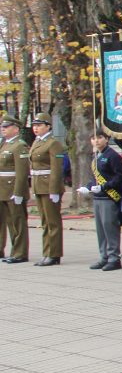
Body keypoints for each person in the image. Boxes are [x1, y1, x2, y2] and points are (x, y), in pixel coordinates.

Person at [77, 130, 122, 270]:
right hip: (98, 197)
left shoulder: (112, 155)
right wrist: (88, 187)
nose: (96, 141)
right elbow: (95, 178)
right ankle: (104, 256)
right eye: (93, 138)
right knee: (101, 230)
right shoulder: (96, 155)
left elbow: (119, 176)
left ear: (107, 139)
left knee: (110, 228)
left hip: (109, 197)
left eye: (99, 138)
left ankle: (114, 258)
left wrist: (104, 187)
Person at [29, 113, 65, 266]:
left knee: (53, 222)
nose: (35, 128)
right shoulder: (37, 141)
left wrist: (54, 190)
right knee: (45, 222)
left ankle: (54, 254)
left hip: (49, 186)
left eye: (39, 125)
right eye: (34, 125)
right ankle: (47, 252)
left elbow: (56, 169)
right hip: (39, 186)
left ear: (48, 126)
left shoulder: (53, 143)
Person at [0, 112, 30, 264]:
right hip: (2, 189)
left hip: (12, 190)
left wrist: (18, 192)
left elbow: (22, 173)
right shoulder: (4, 144)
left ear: (16, 129)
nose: (3, 129)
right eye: (2, 126)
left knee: (17, 223)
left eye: (6, 126)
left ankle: (19, 253)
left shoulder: (19, 145)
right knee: (3, 222)